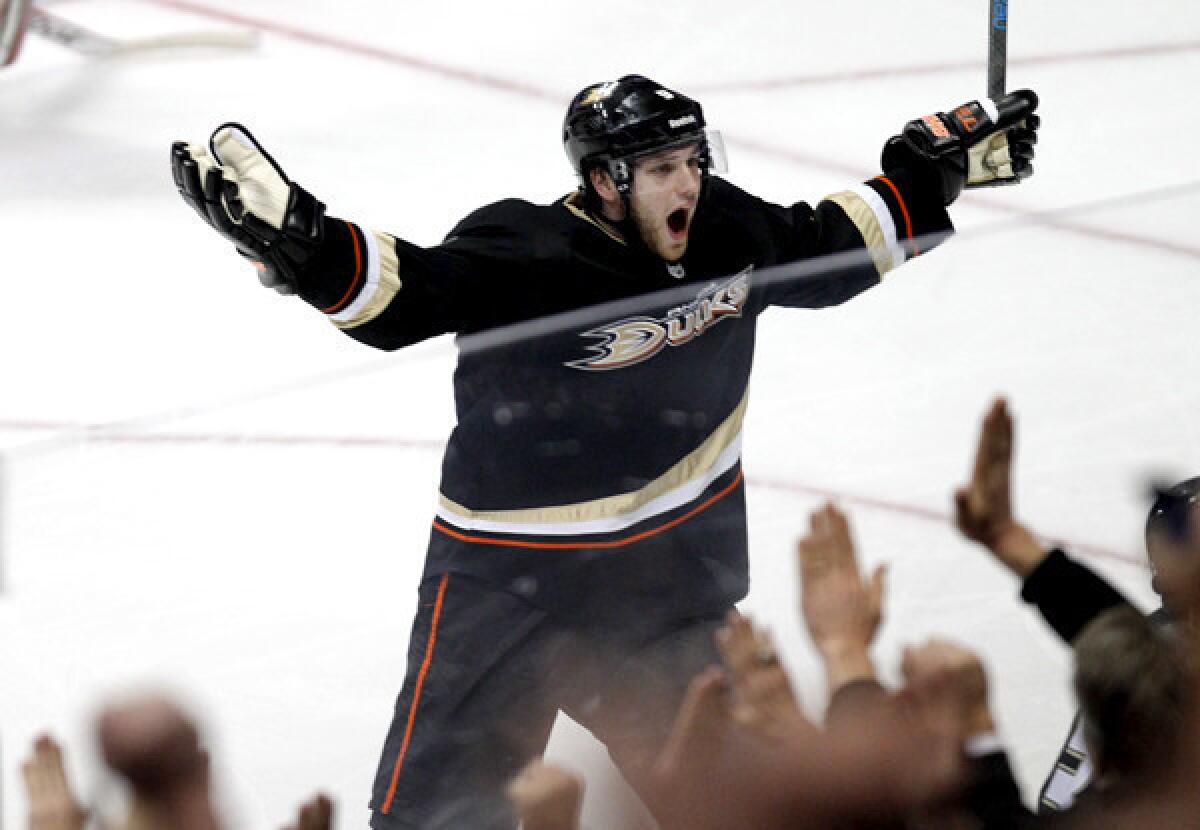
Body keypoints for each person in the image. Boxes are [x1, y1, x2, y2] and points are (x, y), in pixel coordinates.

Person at [171, 74, 1040, 829]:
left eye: (695, 161)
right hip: (507, 587)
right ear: (606, 180)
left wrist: (930, 183)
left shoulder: (725, 230)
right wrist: (307, 253)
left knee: (753, 804)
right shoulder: (527, 250)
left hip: (664, 591)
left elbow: (825, 247)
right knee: (440, 821)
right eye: (664, 169)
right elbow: (410, 296)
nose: (689, 184)